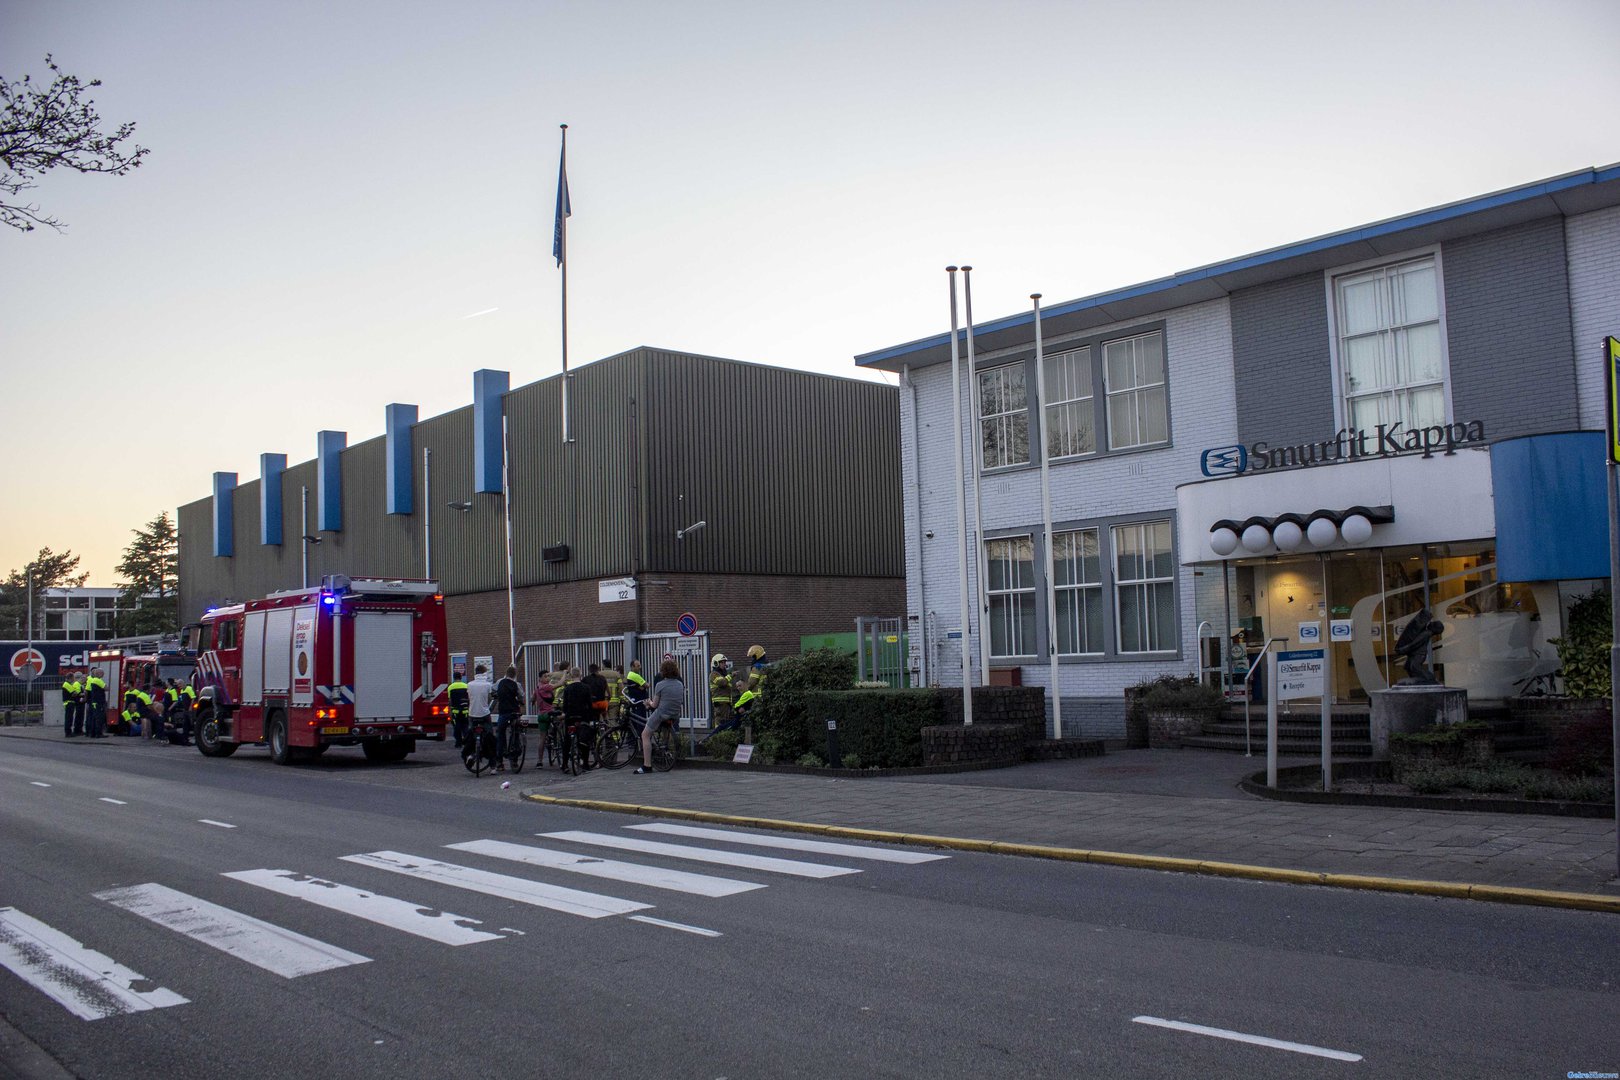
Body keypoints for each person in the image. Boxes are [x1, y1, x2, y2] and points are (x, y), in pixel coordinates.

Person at [636, 659, 684, 775]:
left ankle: (647, 765)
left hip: (662, 714)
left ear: (663, 671)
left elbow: (655, 704)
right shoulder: (680, 684)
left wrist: (648, 704)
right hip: (675, 714)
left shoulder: (660, 685)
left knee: (645, 735)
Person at [559, 665, 597, 769]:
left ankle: (565, 764)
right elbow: (589, 704)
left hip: (570, 716)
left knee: (567, 740)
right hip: (582, 716)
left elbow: (565, 705)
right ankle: (585, 763)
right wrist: (591, 717)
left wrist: (565, 714)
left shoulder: (567, 689)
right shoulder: (586, 687)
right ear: (580, 675)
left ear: (571, 676)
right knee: (584, 739)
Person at [465, 664, 495, 772]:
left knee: (471, 736)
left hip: (472, 714)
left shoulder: (469, 684)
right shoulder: (487, 684)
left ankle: (470, 754)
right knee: (490, 738)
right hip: (484, 714)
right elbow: (491, 696)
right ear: (484, 673)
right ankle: (493, 767)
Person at [494, 665, 524, 771]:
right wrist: (521, 701)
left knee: (500, 733)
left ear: (506, 673)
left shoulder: (499, 682)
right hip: (514, 712)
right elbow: (521, 696)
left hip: (503, 712)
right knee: (515, 733)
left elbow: (493, 691)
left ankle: (499, 761)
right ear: (515, 675)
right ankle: (514, 760)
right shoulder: (517, 684)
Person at [703, 654, 737, 743]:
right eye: (722, 662)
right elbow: (722, 682)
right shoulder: (714, 674)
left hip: (727, 705)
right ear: (716, 663)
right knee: (719, 724)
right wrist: (730, 676)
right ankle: (714, 741)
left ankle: (723, 741)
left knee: (726, 724)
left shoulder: (723, 674)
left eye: (724, 662)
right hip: (720, 705)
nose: (724, 664)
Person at [447, 668, 470, 749]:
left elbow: (450, 700)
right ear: (461, 677)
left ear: (454, 677)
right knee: (465, 726)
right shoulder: (466, 686)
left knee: (456, 727)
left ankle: (458, 743)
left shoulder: (450, 687)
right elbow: (469, 698)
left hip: (455, 711)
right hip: (465, 711)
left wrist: (450, 710)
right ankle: (467, 741)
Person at [84, 669, 108, 738]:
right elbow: (106, 688)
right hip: (99, 702)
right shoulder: (98, 680)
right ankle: (98, 733)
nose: (103, 675)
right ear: (98, 673)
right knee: (99, 718)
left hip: (94, 701)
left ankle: (92, 733)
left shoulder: (92, 680)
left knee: (93, 718)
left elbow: (87, 691)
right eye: (102, 673)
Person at [62, 670, 84, 737]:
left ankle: (69, 732)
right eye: (73, 678)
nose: (74, 679)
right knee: (69, 718)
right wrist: (78, 694)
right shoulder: (67, 684)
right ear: (71, 678)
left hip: (69, 703)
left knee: (69, 718)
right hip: (69, 703)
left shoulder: (68, 684)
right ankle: (68, 732)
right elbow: (74, 693)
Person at [600, 659, 624, 723]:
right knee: (613, 721)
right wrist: (622, 700)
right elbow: (621, 688)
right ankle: (613, 732)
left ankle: (604, 732)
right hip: (614, 702)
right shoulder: (616, 674)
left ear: (604, 665)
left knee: (602, 721)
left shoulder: (599, 674)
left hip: (603, 701)